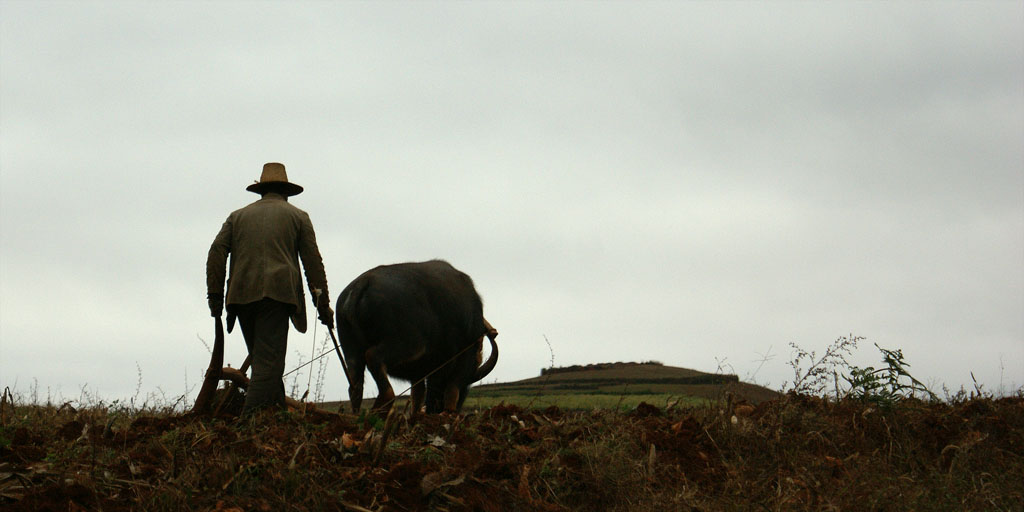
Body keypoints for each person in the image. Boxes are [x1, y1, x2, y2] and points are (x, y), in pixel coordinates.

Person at [206, 162, 333, 414]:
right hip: (277, 295)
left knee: (265, 362)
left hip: (240, 297)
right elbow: (313, 264)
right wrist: (324, 305)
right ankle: (247, 426)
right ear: (286, 192)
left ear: (261, 191)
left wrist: (215, 295)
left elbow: (216, 253)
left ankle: (274, 421)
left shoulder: (237, 216)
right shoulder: (298, 217)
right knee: (268, 365)